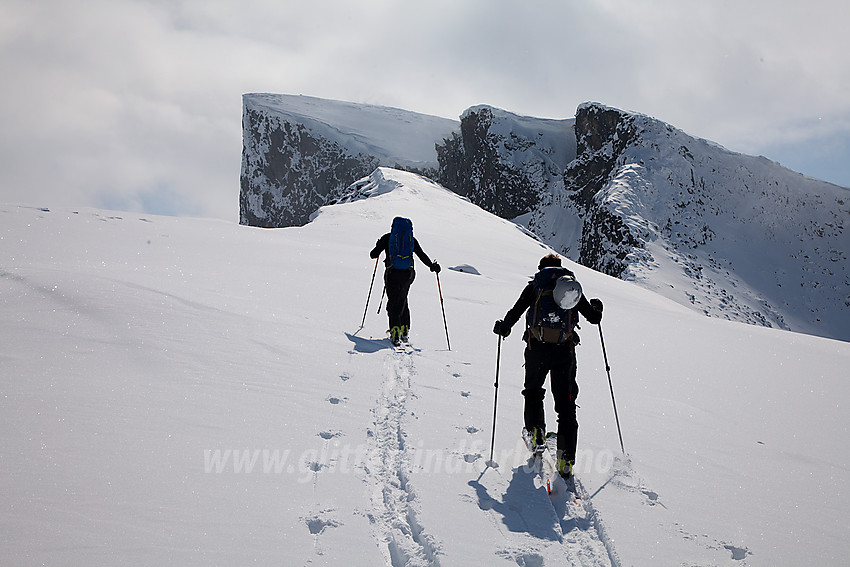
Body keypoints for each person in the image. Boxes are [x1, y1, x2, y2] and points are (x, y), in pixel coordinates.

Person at [492, 254, 603, 479]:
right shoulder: (571, 288)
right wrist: (596, 306)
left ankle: (536, 434)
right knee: (566, 404)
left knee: (533, 391)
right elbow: (593, 318)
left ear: (541, 268)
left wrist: (504, 327)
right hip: (565, 352)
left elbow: (517, 310)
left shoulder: (535, 286)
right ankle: (566, 459)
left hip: (537, 348)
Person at [370, 217, 440, 345]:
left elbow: (373, 254)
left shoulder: (388, 238)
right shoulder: (411, 240)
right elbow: (421, 254)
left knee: (393, 302)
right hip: (408, 274)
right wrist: (432, 266)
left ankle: (395, 331)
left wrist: (379, 245)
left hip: (392, 273)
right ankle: (405, 329)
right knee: (403, 299)